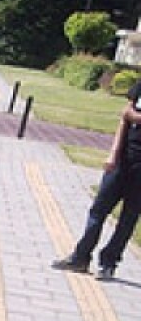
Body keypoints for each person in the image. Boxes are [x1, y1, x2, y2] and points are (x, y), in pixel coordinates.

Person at [53, 79, 141, 281]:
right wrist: (113, 154)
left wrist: (132, 116)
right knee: (98, 210)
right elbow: (124, 117)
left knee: (128, 218)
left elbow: (130, 114)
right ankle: (80, 258)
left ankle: (109, 263)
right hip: (122, 161)